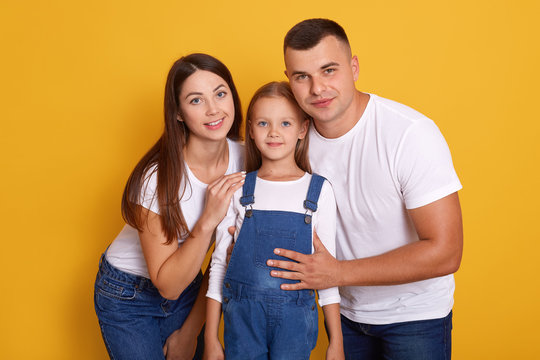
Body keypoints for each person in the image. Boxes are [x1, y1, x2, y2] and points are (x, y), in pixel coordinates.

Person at [268, 19, 464, 359]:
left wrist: (336, 273)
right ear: (290, 81)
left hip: (415, 317)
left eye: (329, 70)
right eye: (302, 77)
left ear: (354, 67)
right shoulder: (291, 139)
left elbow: (446, 251)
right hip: (343, 316)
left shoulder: (409, 134)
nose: (317, 88)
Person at [93, 53, 246, 360]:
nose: (213, 109)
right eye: (196, 100)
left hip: (190, 284)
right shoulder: (156, 179)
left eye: (220, 93)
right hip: (128, 294)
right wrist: (207, 220)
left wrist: (190, 333)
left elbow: (223, 260)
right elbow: (168, 286)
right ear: (178, 113)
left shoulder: (246, 158)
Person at [204, 82, 344, 360]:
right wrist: (210, 338)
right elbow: (219, 263)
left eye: (285, 123)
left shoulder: (318, 191)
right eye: (264, 123)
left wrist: (336, 342)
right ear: (252, 131)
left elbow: (329, 272)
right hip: (242, 322)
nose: (274, 132)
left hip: (295, 322)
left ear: (303, 129)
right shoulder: (239, 188)